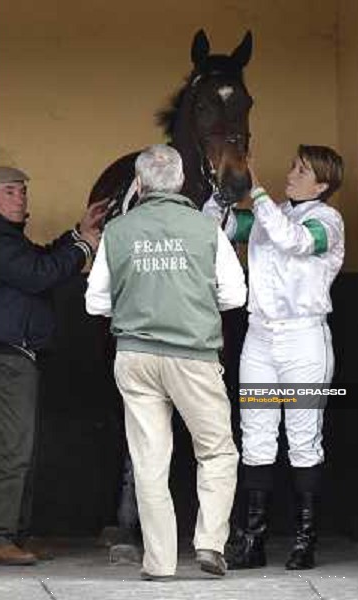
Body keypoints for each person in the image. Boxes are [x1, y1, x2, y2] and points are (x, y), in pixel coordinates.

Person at [85, 144, 246, 579]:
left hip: (135, 356)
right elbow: (235, 296)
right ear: (179, 183)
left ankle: (159, 562)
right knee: (216, 451)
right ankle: (210, 543)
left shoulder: (117, 231)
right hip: (193, 355)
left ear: (139, 184)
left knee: (149, 461)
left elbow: (95, 303)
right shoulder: (206, 228)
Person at [202, 144, 344, 570]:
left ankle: (305, 541)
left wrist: (257, 190)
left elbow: (294, 241)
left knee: (303, 440)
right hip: (261, 338)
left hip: (304, 340)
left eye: (302, 170)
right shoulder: (269, 214)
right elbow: (214, 229)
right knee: (257, 437)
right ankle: (254, 541)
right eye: (293, 165)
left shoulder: (327, 221)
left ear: (322, 183)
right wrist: (225, 196)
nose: (292, 172)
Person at [0, 165, 105, 565]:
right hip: (6, 357)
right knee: (13, 450)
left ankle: (15, 534)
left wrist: (78, 232)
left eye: (22, 191)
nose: (21, 198)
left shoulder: (9, 239)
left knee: (21, 449)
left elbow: (39, 258)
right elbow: (38, 274)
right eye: (10, 191)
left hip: (17, 357)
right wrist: (84, 248)